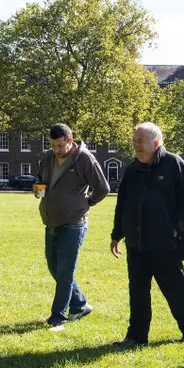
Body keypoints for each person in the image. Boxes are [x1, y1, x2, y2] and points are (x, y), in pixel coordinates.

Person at [110, 122, 184, 346]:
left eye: (140, 141)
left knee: (176, 289)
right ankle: (136, 336)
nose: (136, 146)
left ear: (156, 142)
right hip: (136, 243)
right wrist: (116, 234)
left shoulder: (174, 164)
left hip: (165, 244)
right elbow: (122, 204)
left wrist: (176, 229)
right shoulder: (132, 170)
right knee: (137, 291)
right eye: (134, 141)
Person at [35, 123, 110, 330]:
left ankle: (58, 317)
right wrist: (38, 187)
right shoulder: (48, 157)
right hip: (51, 221)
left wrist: (85, 204)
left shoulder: (84, 159)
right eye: (52, 146)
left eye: (60, 146)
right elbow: (41, 179)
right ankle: (80, 304)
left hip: (74, 223)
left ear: (70, 140)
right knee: (54, 266)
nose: (56, 150)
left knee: (65, 271)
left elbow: (103, 188)